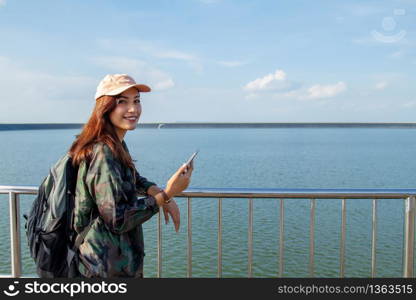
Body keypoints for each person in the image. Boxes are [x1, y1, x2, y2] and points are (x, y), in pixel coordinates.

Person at [68, 74, 193, 278]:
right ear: (106, 108)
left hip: (116, 263)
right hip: (104, 268)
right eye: (122, 102)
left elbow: (131, 178)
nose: (133, 109)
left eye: (136, 101)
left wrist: (157, 191)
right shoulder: (103, 152)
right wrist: (166, 195)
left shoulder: (115, 144)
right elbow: (117, 219)